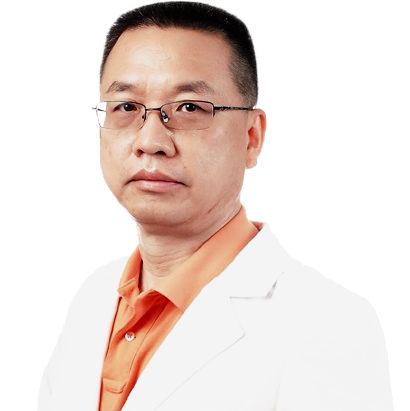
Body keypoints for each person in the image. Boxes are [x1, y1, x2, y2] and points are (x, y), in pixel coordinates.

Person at [38, 2, 394, 410]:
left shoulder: (329, 324)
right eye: (127, 107)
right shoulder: (94, 298)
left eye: (189, 107)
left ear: (251, 137)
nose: (150, 141)